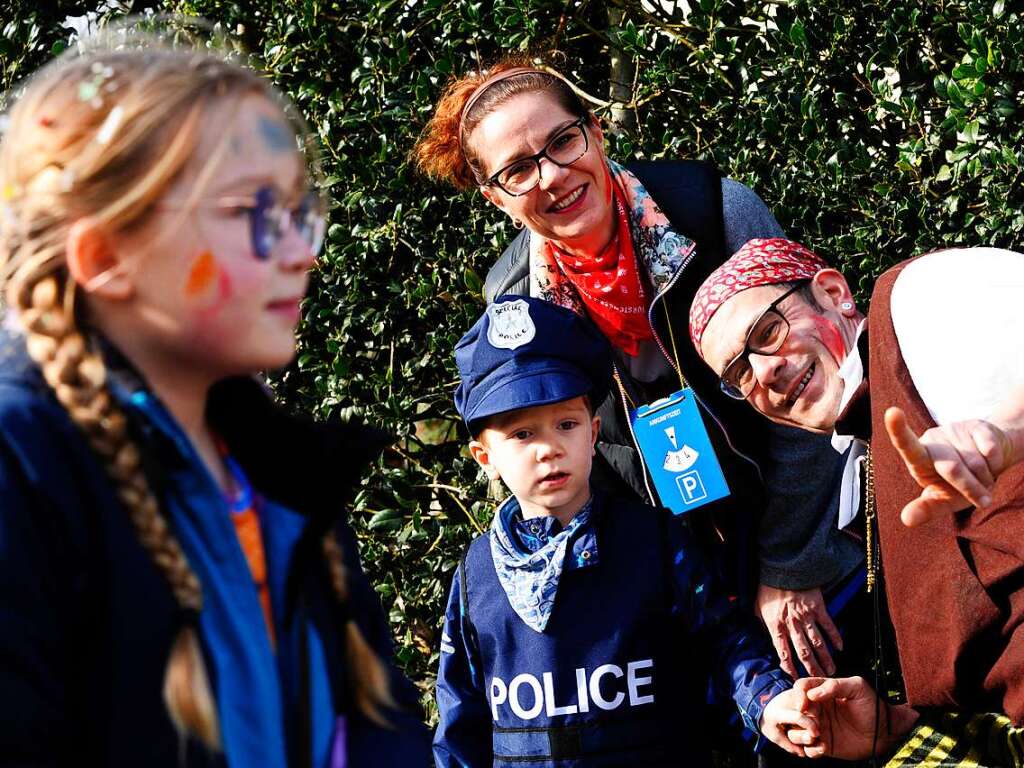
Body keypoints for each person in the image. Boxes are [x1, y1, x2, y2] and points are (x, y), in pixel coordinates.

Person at [0, 33, 428, 766]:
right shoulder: (23, 463)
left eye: (299, 212)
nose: (302, 252)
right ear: (105, 256)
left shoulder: (280, 471)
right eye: (249, 214)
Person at [413, 60, 866, 719]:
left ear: (595, 131)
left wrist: (790, 568)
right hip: (668, 579)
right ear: (494, 195)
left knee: (832, 724)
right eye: (517, 169)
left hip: (805, 537)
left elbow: (814, 392)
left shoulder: (713, 213)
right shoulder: (513, 301)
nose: (552, 176)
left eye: (563, 141)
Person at [433, 294, 824, 767]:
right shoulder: (476, 576)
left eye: (566, 424)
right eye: (522, 434)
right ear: (485, 457)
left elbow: (724, 641)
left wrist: (766, 701)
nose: (549, 449)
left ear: (594, 433)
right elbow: (461, 715)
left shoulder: (656, 542)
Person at [688, 239, 1024, 729]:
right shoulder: (860, 471)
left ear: (832, 292)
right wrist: (888, 729)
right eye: (740, 373)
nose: (765, 370)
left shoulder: (917, 298)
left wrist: (1008, 431)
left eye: (768, 331)